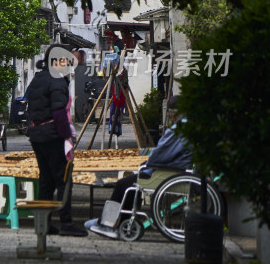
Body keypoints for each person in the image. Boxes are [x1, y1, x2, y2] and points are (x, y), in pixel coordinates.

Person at [85, 95, 192, 239]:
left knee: (123, 184)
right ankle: (113, 221)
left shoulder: (177, 129)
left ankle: (108, 223)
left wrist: (146, 164)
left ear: (174, 112)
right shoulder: (189, 126)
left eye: (171, 112)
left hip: (167, 173)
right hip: (178, 170)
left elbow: (160, 154)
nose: (170, 115)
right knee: (129, 184)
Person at [26, 44, 88, 237]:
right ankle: (66, 222)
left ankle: (43, 223)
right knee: (63, 180)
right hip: (53, 135)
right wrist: (66, 137)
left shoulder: (37, 79)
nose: (68, 64)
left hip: (37, 135)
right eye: (65, 61)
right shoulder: (57, 80)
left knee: (46, 181)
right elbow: (60, 111)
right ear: (56, 61)